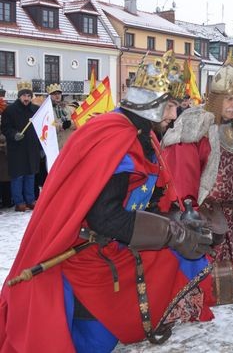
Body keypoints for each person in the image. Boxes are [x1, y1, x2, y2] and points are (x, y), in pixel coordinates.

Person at [0, 51, 217, 352]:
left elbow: (150, 199)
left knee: (183, 260)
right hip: (86, 253)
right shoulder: (114, 138)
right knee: (92, 342)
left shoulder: (144, 135)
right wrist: (172, 233)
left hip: (117, 245)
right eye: (168, 106)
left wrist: (180, 218)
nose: (172, 115)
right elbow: (105, 217)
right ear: (149, 104)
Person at [162, 50, 233, 302]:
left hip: (231, 218)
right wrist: (190, 212)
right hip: (205, 219)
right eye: (229, 99)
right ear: (216, 98)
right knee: (208, 282)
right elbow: (183, 174)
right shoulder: (196, 126)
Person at [0, 82, 40, 212]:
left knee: (30, 174)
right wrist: (14, 134)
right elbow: (5, 128)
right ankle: (19, 201)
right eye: (24, 95)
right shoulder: (9, 110)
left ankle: (30, 199)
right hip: (17, 148)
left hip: (31, 147)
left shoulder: (35, 109)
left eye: (29, 95)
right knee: (18, 176)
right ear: (19, 96)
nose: (26, 98)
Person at [47, 83, 76, 149]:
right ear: (50, 96)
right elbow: (48, 127)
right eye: (54, 94)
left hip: (70, 143)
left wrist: (70, 123)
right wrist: (61, 126)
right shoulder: (48, 111)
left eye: (59, 93)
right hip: (56, 144)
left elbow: (78, 121)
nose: (57, 96)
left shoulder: (70, 108)